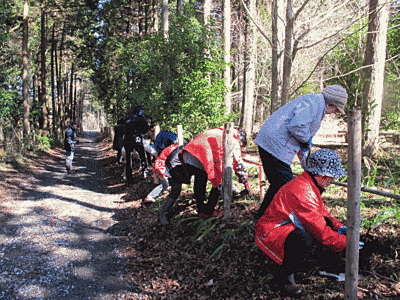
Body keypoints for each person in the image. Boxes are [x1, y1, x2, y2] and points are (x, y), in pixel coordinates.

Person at [254, 149, 364, 297]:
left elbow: (322, 213)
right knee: (302, 238)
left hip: (284, 225)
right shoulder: (303, 191)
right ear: (318, 174)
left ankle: (322, 265)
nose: (331, 180)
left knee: (321, 227)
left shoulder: (308, 183)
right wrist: (348, 243)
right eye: (328, 176)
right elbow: (321, 232)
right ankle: (284, 278)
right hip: (271, 231)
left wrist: (339, 227)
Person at [254, 85, 348, 220]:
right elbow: (297, 127)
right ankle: (271, 221)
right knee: (286, 187)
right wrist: (306, 140)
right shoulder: (314, 102)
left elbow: (302, 140)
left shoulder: (316, 105)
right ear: (331, 105)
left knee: (278, 185)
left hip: (274, 145)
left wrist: (306, 164)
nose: (333, 113)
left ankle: (262, 218)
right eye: (335, 110)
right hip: (276, 145)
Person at [154, 127, 251, 225]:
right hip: (178, 162)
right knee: (177, 190)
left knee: (202, 179)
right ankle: (164, 214)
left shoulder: (216, 131)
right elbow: (238, 164)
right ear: (240, 139)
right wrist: (246, 183)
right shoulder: (232, 141)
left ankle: (203, 211)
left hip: (189, 159)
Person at [123, 109, 151, 182]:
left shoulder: (127, 118)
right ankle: (145, 173)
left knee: (128, 159)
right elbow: (144, 130)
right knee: (142, 156)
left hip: (127, 139)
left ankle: (129, 177)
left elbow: (123, 129)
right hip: (137, 139)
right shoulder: (141, 119)